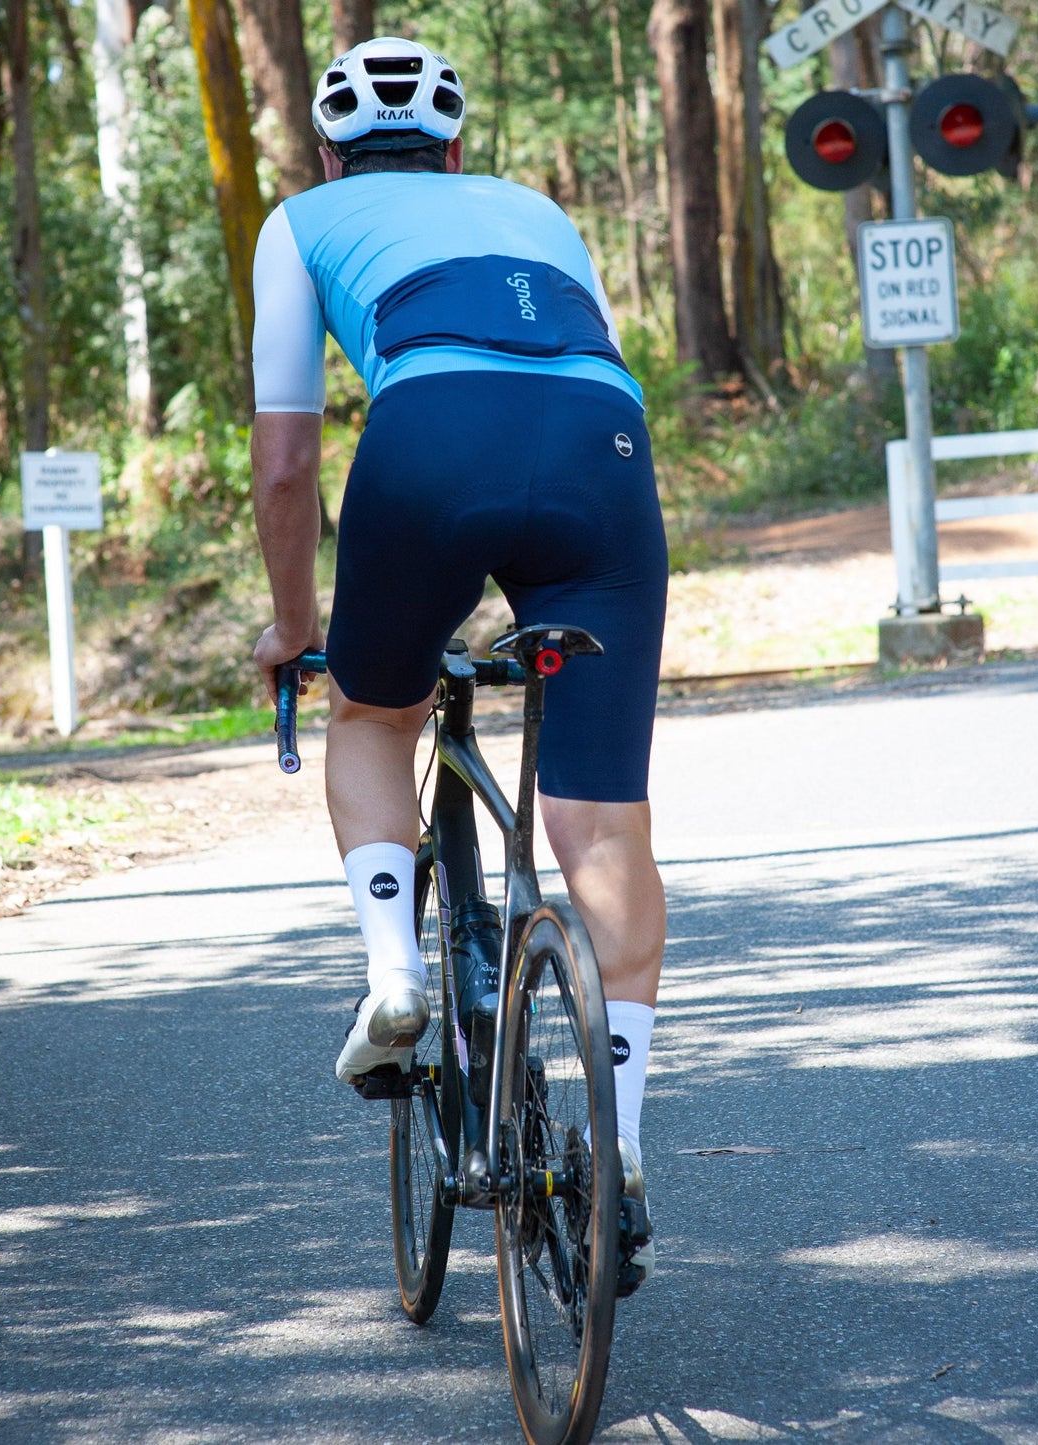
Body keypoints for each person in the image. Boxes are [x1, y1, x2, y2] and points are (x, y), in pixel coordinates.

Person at [249, 36, 666, 1285]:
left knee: (374, 713)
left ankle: (390, 977)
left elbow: (284, 460)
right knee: (600, 825)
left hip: (428, 440)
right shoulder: (534, 208)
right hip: (602, 452)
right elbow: (569, 355)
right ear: (458, 147)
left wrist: (290, 624)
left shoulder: (302, 217)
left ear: (328, 152)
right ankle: (623, 1146)